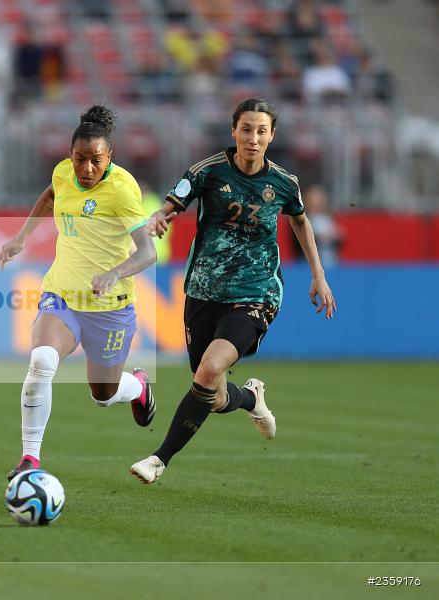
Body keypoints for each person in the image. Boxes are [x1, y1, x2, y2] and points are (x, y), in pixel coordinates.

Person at [130, 98, 337, 484]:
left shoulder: (283, 183)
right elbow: (173, 204)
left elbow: (301, 221)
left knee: (208, 371)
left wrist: (318, 274)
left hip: (255, 293)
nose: (253, 138)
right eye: (246, 129)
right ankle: (250, 399)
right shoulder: (206, 172)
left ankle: (158, 460)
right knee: (213, 392)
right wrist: (159, 217)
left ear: (271, 136)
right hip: (203, 290)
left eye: (261, 131)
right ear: (234, 132)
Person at [0, 105, 160, 481]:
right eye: (79, 159)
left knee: (103, 394)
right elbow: (50, 196)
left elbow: (148, 252)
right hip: (63, 295)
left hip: (110, 306)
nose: (86, 169)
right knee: (42, 361)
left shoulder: (123, 190)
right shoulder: (63, 173)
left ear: (110, 157)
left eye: (95, 161)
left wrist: (113, 274)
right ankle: (30, 460)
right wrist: (21, 237)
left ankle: (137, 387)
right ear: (70, 156)